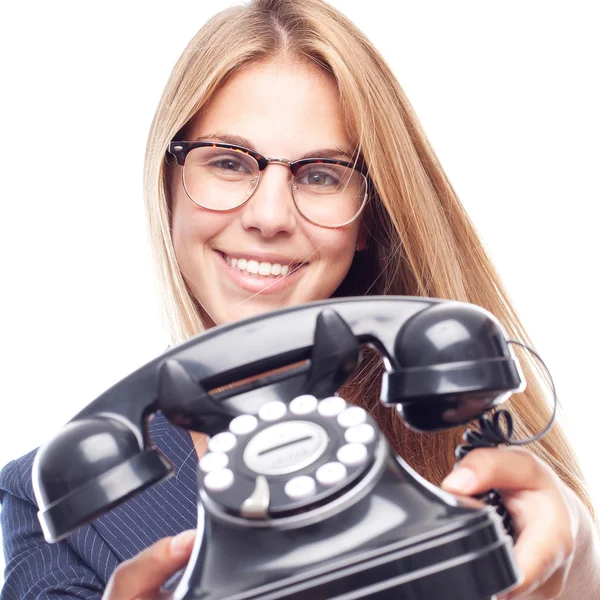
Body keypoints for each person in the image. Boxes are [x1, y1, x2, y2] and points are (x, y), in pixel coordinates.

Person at [1, 0, 599, 598]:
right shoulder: (47, 512)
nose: (268, 216)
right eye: (229, 163)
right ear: (169, 188)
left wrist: (581, 581)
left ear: (371, 215)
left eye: (321, 175)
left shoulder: (483, 460)